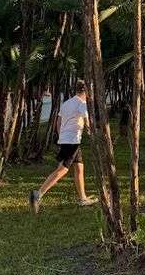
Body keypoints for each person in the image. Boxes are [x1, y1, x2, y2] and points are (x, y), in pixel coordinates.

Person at [30, 80, 97, 212]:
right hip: (72, 141)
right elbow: (87, 120)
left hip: (68, 139)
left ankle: (83, 198)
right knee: (63, 169)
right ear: (87, 91)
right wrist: (92, 132)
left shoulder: (67, 103)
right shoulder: (82, 103)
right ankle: (38, 194)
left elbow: (58, 122)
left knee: (79, 168)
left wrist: (62, 136)